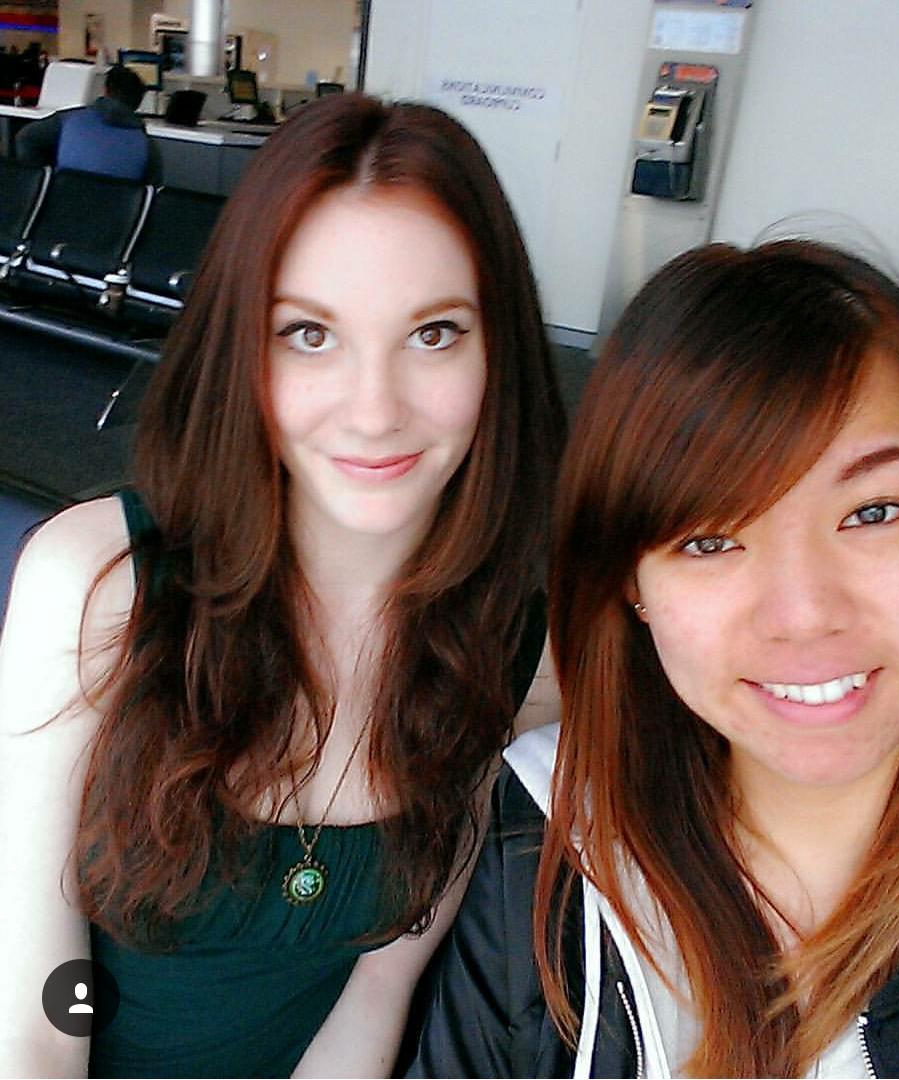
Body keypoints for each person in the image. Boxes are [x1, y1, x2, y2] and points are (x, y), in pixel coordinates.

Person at [408, 241, 899, 1078]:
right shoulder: (541, 841)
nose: (804, 615)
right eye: (710, 539)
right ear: (631, 584)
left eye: (871, 511)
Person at [0, 92, 564, 1077]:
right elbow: (40, 1016)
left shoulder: (509, 644)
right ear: (242, 349)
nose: (374, 410)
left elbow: (377, 988)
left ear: (497, 352)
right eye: (308, 333)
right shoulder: (99, 586)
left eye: (433, 333)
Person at [14, 63, 163, 183]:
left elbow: (25, 138)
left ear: (105, 91)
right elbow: (150, 192)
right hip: (115, 211)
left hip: (61, 205)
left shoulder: (69, 120)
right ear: (137, 104)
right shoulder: (147, 147)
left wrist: (44, 181)